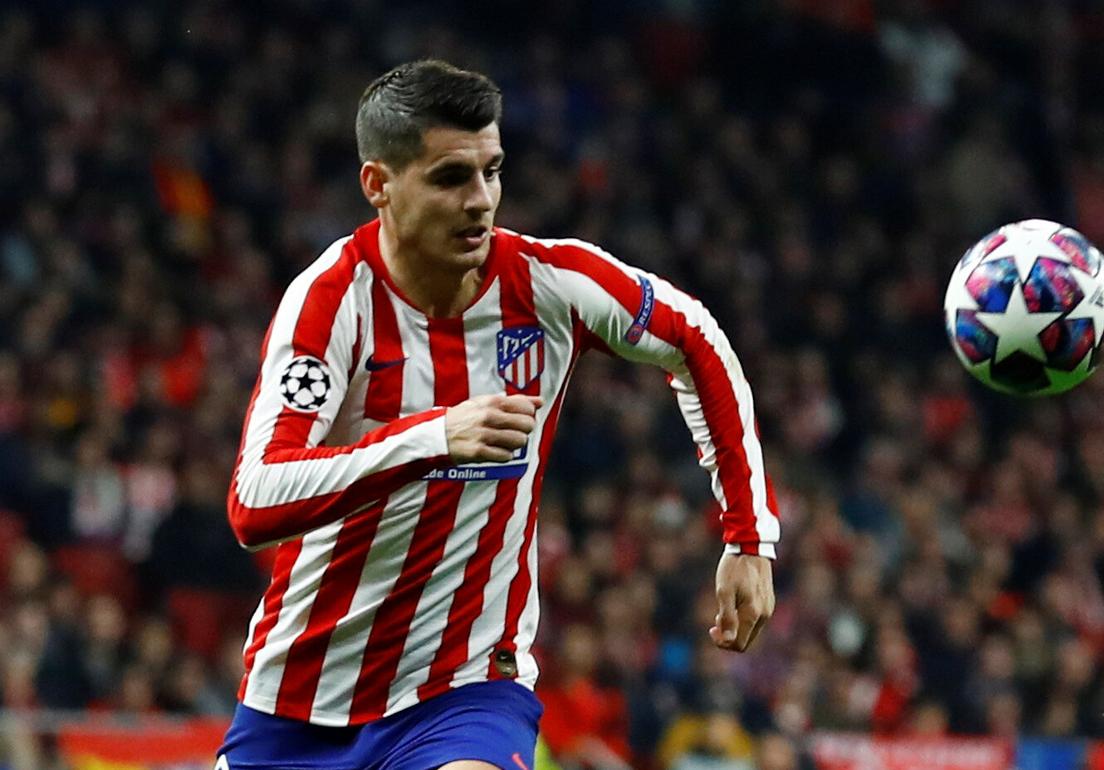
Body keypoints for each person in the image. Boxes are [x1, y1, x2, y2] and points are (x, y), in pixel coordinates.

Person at [215, 60, 780, 770]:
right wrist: (431, 438)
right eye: (451, 177)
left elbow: (696, 340)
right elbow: (254, 499)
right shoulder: (333, 303)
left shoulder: (551, 284)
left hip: (464, 691)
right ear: (378, 186)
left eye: (493, 170)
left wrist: (749, 535)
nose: (481, 200)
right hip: (297, 701)